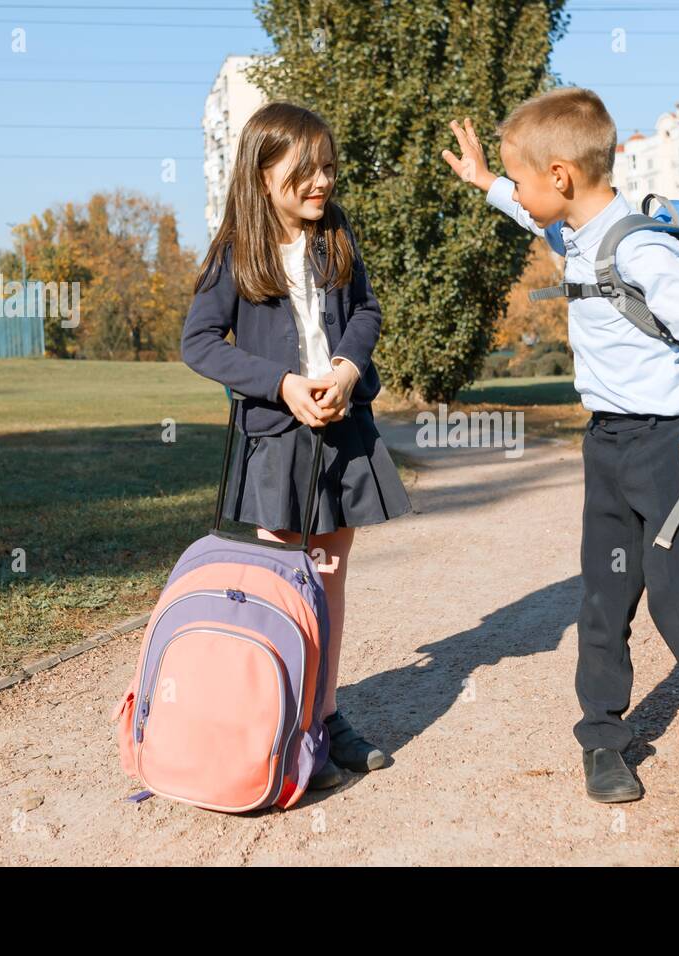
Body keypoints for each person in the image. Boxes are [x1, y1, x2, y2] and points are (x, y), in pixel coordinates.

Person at [442, 88, 679, 802]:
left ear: (561, 176)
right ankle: (603, 740)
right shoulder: (579, 236)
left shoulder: (640, 248)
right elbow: (537, 219)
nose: (520, 193)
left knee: (676, 593)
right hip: (607, 446)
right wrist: (487, 183)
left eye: (522, 178)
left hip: (670, 448)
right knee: (605, 597)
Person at [181, 101, 412, 790]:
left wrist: (345, 368)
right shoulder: (234, 252)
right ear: (262, 173)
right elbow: (198, 343)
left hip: (343, 435)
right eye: (306, 171)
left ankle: (326, 716)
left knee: (331, 577)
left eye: (329, 169)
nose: (322, 183)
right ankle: (278, 718)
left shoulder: (336, 235)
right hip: (275, 442)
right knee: (283, 583)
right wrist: (281, 384)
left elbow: (367, 310)